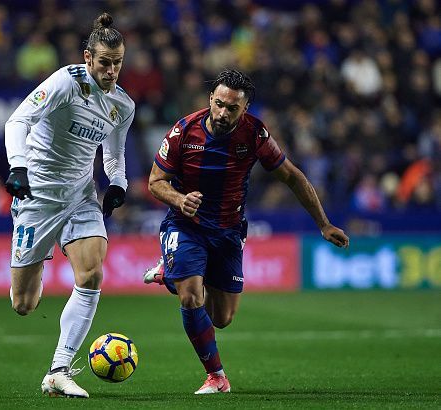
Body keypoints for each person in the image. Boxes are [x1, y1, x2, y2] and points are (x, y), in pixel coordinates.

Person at [143, 69, 349, 394]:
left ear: (245, 108)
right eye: (219, 104)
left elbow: (292, 177)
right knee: (191, 294)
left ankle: (171, 272)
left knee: (222, 318)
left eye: (232, 108)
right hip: (186, 224)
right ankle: (217, 377)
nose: (223, 113)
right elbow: (155, 182)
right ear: (211, 99)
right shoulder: (184, 131)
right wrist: (180, 200)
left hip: (228, 231)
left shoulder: (255, 135)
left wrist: (323, 223)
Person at [3, 13, 134, 399]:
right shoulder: (67, 82)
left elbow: (114, 155)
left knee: (92, 274)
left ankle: (59, 369)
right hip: (36, 197)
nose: (112, 71)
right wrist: (18, 167)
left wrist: (118, 184)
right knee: (23, 304)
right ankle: (36, 265)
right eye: (105, 62)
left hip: (80, 196)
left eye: (118, 62)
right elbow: (18, 121)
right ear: (87, 57)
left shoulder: (122, 105)